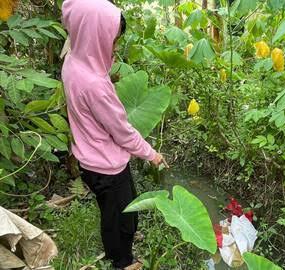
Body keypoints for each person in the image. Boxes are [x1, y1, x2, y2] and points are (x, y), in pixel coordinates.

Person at [61, 0, 166, 269]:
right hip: (108, 166)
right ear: (95, 35)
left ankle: (115, 250)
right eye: (112, 40)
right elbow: (123, 133)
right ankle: (123, 261)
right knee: (124, 220)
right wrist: (151, 154)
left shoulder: (72, 61)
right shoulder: (95, 85)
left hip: (89, 160)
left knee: (111, 212)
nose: (114, 47)